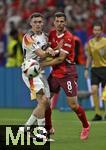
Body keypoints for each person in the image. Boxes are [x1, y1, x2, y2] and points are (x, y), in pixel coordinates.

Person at [41, 12, 90, 140]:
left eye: (62, 21)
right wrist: (47, 50)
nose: (59, 23)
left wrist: (43, 64)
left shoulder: (69, 37)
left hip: (67, 73)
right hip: (55, 74)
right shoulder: (51, 34)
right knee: (46, 101)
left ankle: (86, 125)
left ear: (66, 23)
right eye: (57, 21)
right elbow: (47, 48)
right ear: (54, 22)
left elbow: (60, 59)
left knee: (73, 105)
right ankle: (48, 128)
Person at [20, 12, 55, 139]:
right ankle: (41, 134)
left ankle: (25, 129)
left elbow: (47, 53)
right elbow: (41, 54)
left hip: (40, 72)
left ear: (43, 23)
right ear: (31, 23)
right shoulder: (28, 37)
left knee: (46, 103)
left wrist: (51, 50)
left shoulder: (45, 37)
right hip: (30, 71)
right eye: (35, 22)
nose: (38, 24)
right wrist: (52, 51)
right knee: (43, 101)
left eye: (40, 22)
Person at [84, 21, 106, 121]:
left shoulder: (105, 41)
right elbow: (89, 57)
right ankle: (97, 113)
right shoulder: (90, 42)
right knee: (94, 91)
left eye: (98, 30)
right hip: (94, 69)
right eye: (95, 30)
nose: (96, 32)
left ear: (101, 31)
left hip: (104, 69)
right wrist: (86, 69)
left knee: (105, 94)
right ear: (93, 31)